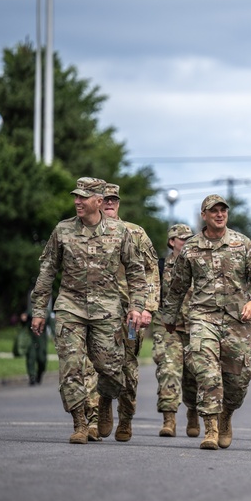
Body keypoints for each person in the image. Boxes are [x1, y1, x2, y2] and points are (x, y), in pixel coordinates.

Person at [30, 177, 146, 444]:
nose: (77, 201)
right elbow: (47, 271)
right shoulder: (63, 230)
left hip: (107, 310)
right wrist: (39, 310)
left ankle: (105, 401)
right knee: (71, 367)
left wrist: (137, 307)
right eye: (76, 196)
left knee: (111, 370)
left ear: (99, 201)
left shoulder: (120, 232)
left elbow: (136, 273)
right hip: (70, 307)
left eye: (83, 197)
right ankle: (80, 423)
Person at [161, 194, 251, 450]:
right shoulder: (191, 248)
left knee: (237, 380)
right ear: (204, 215)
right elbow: (178, 286)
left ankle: (226, 415)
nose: (219, 214)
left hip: (237, 321)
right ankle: (210, 428)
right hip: (202, 317)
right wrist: (170, 316)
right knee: (207, 373)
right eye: (214, 211)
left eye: (223, 210)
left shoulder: (242, 244)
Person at [83, 183, 161, 442]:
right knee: (92, 367)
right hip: (93, 312)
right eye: (105, 200)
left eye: (114, 200)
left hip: (128, 314)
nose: (109, 204)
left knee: (126, 370)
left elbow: (151, 270)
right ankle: (95, 416)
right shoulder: (83, 231)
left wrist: (147, 307)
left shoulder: (135, 233)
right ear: (96, 202)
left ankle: (125, 416)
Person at [150, 223, 197, 437]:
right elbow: (152, 296)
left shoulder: (200, 266)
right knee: (168, 370)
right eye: (183, 239)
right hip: (168, 327)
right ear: (172, 242)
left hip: (196, 327)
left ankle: (194, 412)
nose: (187, 243)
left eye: (190, 239)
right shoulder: (159, 267)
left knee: (193, 375)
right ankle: (169, 419)